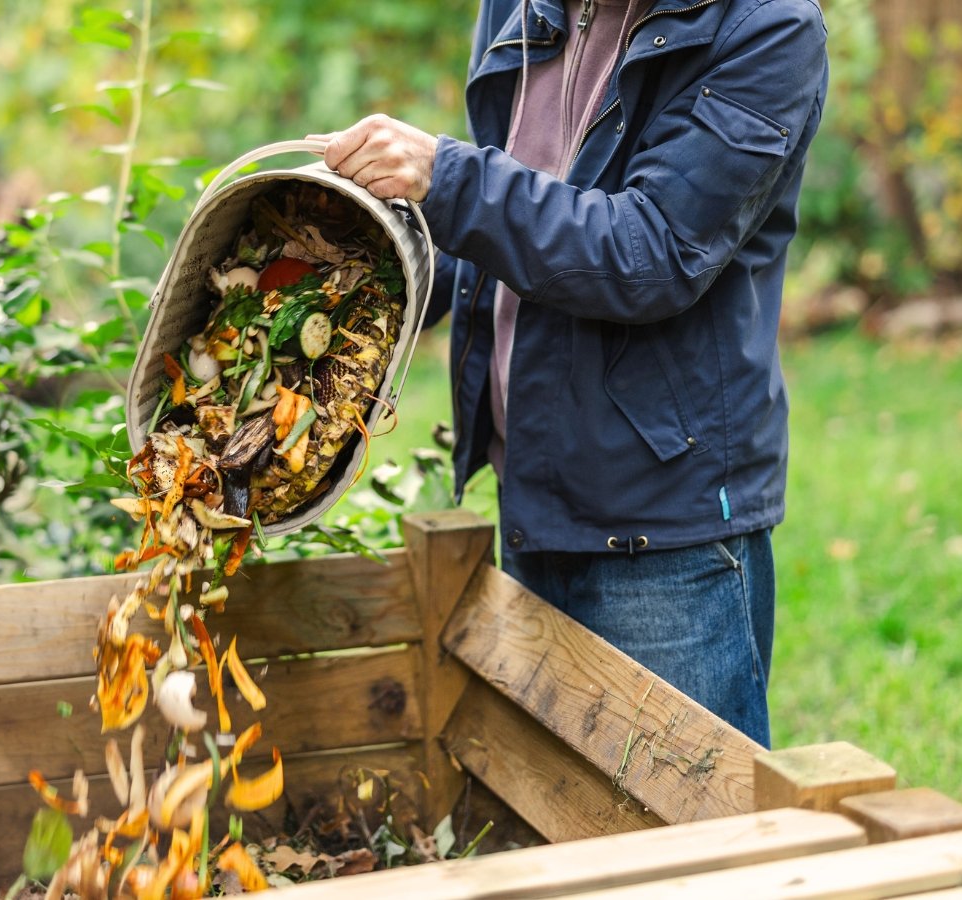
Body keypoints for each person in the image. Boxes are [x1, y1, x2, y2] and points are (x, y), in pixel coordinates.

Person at [309, 0, 828, 748]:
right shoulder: (526, 7)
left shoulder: (766, 29)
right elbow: (508, 228)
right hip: (532, 488)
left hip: (663, 529)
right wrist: (348, 272)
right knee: (556, 814)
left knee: (690, 839)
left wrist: (445, 178)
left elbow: (650, 252)